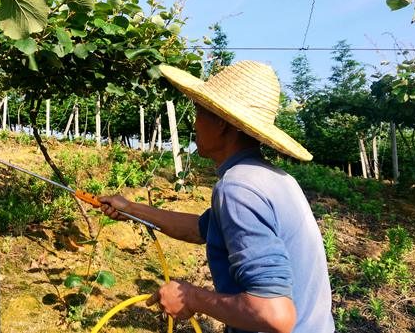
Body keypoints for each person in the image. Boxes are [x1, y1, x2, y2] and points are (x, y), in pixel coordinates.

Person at [99, 61, 334, 333]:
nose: (194, 123)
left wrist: (191, 297)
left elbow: (274, 314)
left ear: (222, 123)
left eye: (199, 112)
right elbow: (202, 229)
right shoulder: (273, 178)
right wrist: (129, 207)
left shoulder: (238, 187)